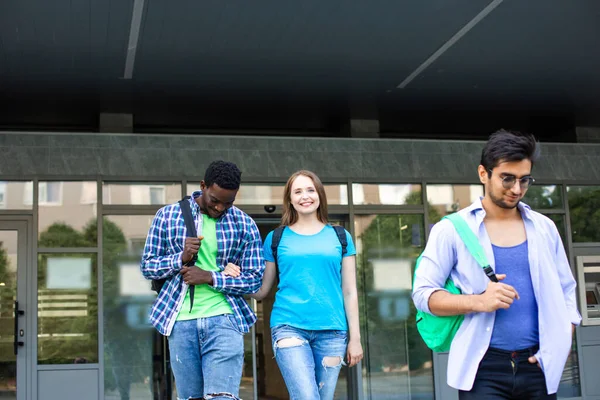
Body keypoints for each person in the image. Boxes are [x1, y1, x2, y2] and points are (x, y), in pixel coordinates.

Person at [412, 130, 581, 399]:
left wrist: (561, 341)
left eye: (524, 180)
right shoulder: (451, 230)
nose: (517, 189)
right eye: (507, 178)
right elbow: (423, 295)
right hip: (482, 368)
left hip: (538, 364)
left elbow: (566, 290)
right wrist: (478, 301)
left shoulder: (545, 228)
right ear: (483, 174)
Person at [225, 170, 363, 400]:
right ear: (289, 199)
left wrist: (355, 339)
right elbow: (261, 291)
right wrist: (234, 277)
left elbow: (349, 291)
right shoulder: (276, 239)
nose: (304, 196)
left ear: (319, 194)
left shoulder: (341, 236)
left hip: (332, 331)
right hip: (289, 327)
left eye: (310, 190)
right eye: (297, 191)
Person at [140, 160, 265, 400]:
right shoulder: (167, 216)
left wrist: (210, 277)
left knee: (222, 397)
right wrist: (180, 258)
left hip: (224, 320)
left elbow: (254, 281)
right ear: (203, 186)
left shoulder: (244, 224)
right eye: (214, 200)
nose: (220, 208)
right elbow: (148, 267)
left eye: (228, 202)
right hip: (181, 322)